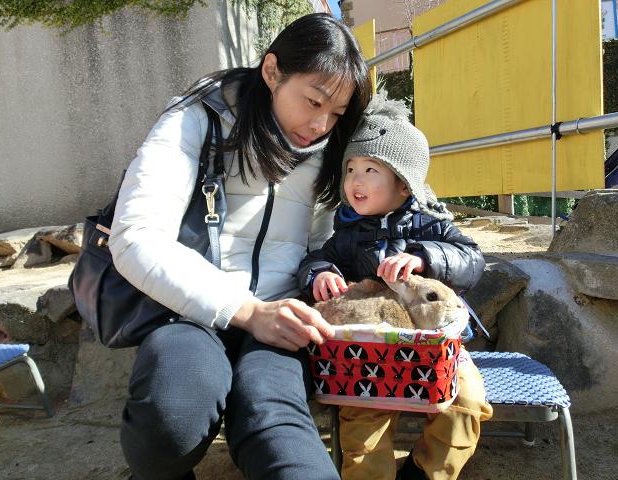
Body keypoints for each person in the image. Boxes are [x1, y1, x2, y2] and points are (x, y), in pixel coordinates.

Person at [108, 13, 371, 480]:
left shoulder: (338, 147)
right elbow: (135, 237)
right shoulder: (196, 118)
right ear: (272, 71)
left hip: (285, 318)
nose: (320, 124)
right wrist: (247, 312)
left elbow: (342, 233)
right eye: (313, 101)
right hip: (188, 312)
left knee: (277, 425)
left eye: (335, 114)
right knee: (171, 421)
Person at [297, 93, 494, 480]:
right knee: (362, 419)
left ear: (403, 183)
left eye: (371, 170)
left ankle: (424, 473)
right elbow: (315, 258)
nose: (355, 178)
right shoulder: (347, 234)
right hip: (371, 352)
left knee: (466, 405)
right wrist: (319, 273)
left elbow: (472, 259)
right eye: (350, 168)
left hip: (440, 347)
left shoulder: (432, 224)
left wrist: (425, 257)